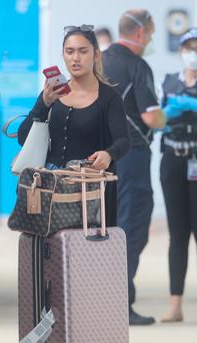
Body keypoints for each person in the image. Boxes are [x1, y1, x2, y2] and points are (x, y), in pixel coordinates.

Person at [18, 24, 130, 226]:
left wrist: (109, 154)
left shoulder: (109, 98)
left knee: (84, 250)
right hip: (50, 188)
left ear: (96, 55)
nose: (75, 58)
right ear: (63, 55)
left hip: (89, 191)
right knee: (50, 251)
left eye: (82, 51)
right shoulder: (52, 93)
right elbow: (23, 137)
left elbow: (124, 140)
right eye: (70, 52)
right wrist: (42, 104)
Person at [102, 8, 171, 326]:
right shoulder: (137, 66)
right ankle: (120, 304)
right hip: (132, 156)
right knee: (131, 230)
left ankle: (100, 297)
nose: (153, 39)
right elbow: (150, 116)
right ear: (141, 33)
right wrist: (167, 115)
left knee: (105, 226)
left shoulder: (99, 62)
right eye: (153, 33)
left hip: (100, 159)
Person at [158, 28, 197, 324]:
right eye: (187, 47)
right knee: (177, 234)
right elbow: (156, 118)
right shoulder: (168, 81)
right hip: (173, 159)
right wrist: (166, 113)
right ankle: (175, 303)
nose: (192, 52)